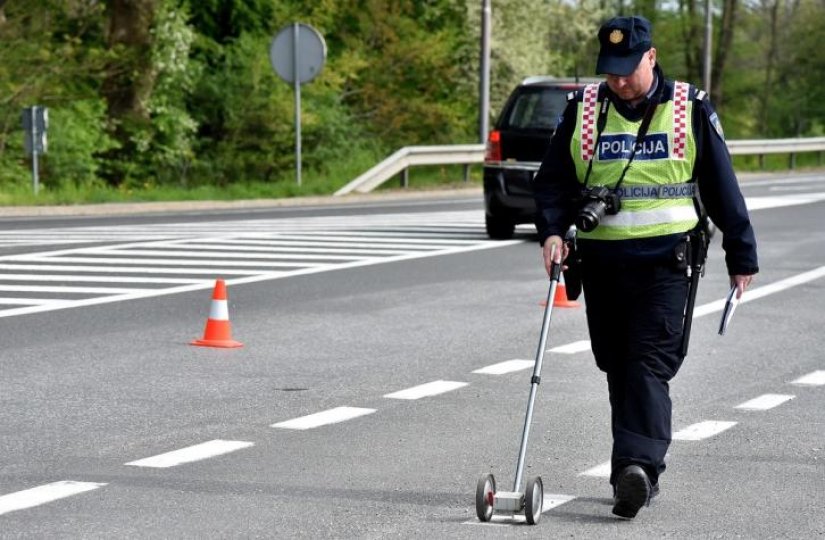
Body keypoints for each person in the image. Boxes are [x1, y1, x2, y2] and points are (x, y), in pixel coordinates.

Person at [533, 15, 758, 519]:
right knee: (617, 364)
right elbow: (552, 182)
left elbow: (721, 184)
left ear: (651, 57)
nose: (618, 80)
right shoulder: (583, 109)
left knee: (647, 363)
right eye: (610, 70)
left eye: (628, 69)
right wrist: (552, 231)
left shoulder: (688, 107)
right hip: (602, 264)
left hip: (666, 264)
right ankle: (631, 473)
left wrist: (741, 252)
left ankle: (638, 466)